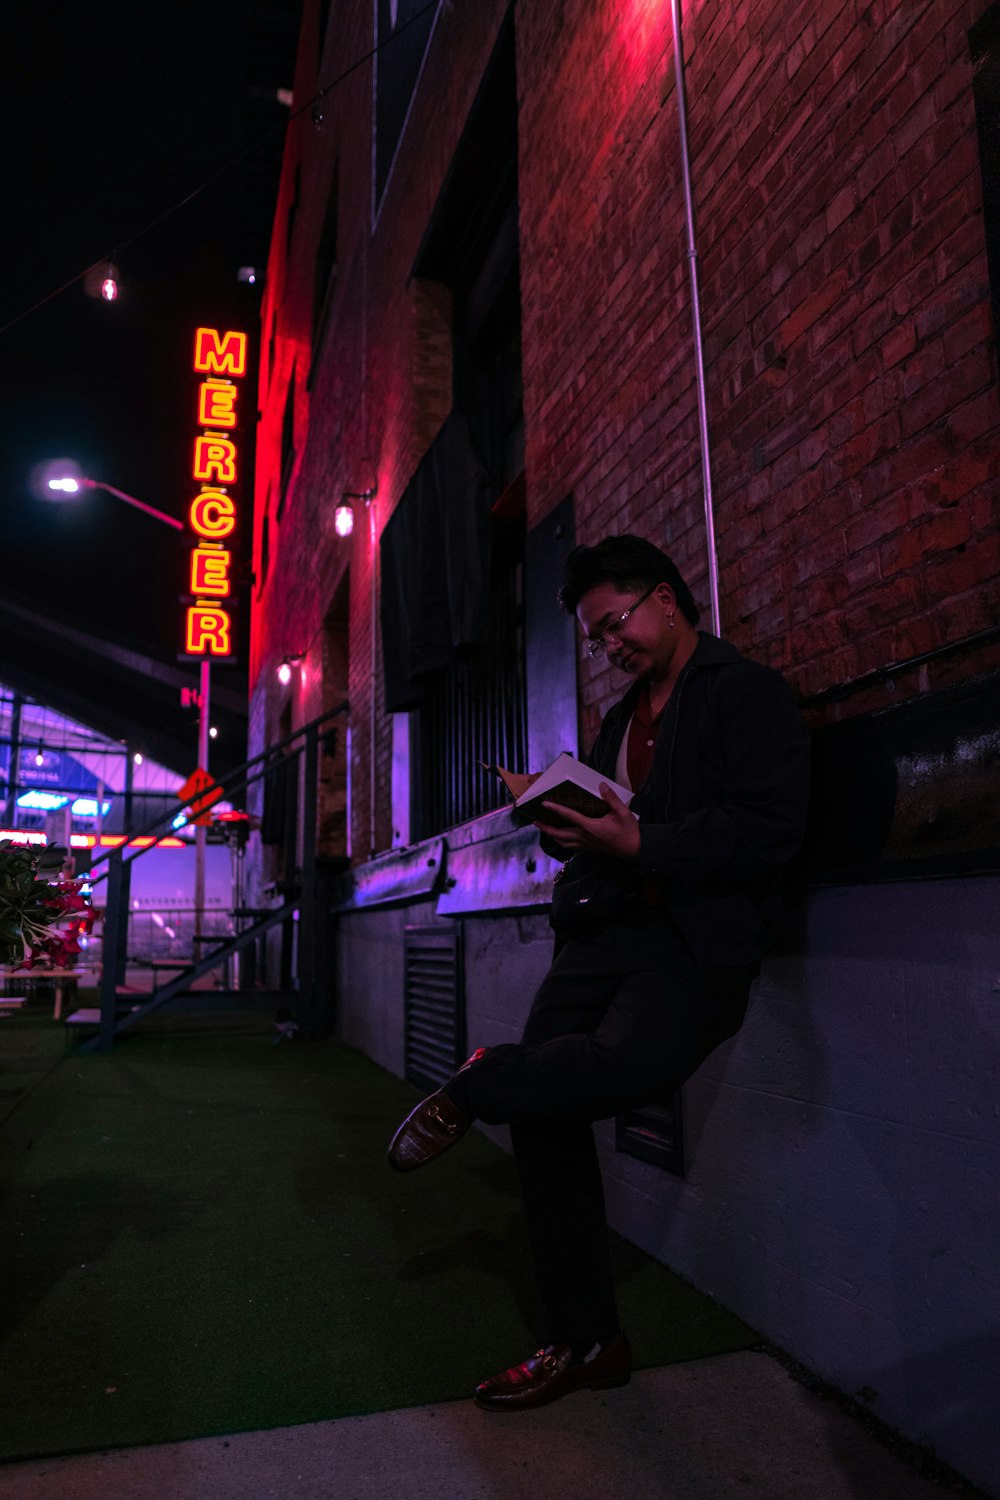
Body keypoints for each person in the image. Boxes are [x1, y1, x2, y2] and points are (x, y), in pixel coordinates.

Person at [388, 534, 811, 1412]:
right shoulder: (620, 721)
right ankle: (584, 1340)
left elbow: (770, 831)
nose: (608, 646)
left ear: (665, 597)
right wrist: (562, 820)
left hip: (691, 945)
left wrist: (640, 841)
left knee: (602, 1073)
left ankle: (479, 1081)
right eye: (595, 637)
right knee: (546, 1115)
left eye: (613, 623)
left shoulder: (746, 694)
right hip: (599, 936)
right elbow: (614, 824)